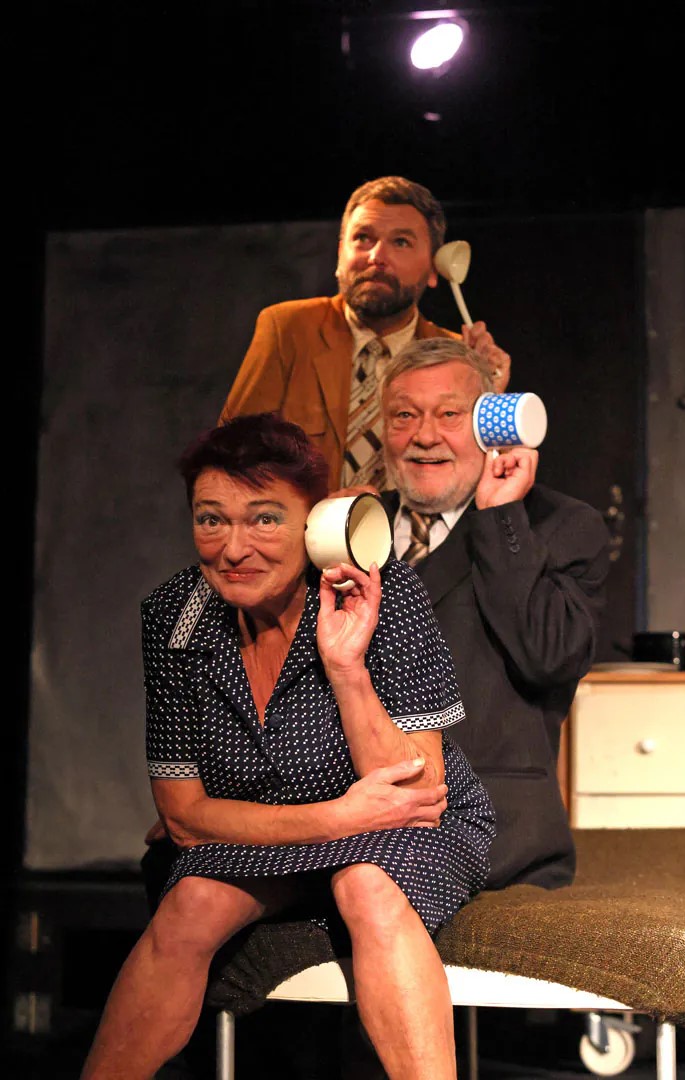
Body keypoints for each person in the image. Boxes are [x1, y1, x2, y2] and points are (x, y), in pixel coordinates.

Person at [81, 412, 495, 1080]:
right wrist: (336, 818)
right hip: (292, 828)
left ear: (314, 524)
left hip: (411, 832)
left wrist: (347, 667)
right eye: (211, 520)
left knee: (366, 883)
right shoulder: (175, 616)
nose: (233, 548)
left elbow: (414, 791)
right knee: (192, 902)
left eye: (265, 519)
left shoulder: (382, 591)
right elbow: (184, 816)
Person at [380, 337, 610, 890]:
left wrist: (500, 515)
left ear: (491, 423)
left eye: (449, 415)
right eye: (404, 416)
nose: (424, 436)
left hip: (496, 834)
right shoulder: (351, 523)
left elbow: (550, 658)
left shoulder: (558, 525)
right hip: (354, 819)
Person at [218, 175, 511, 489]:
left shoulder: (455, 357)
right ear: (340, 253)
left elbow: (491, 483)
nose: (377, 257)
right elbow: (228, 459)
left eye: (401, 242)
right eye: (363, 238)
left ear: (434, 268)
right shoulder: (289, 329)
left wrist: (491, 398)